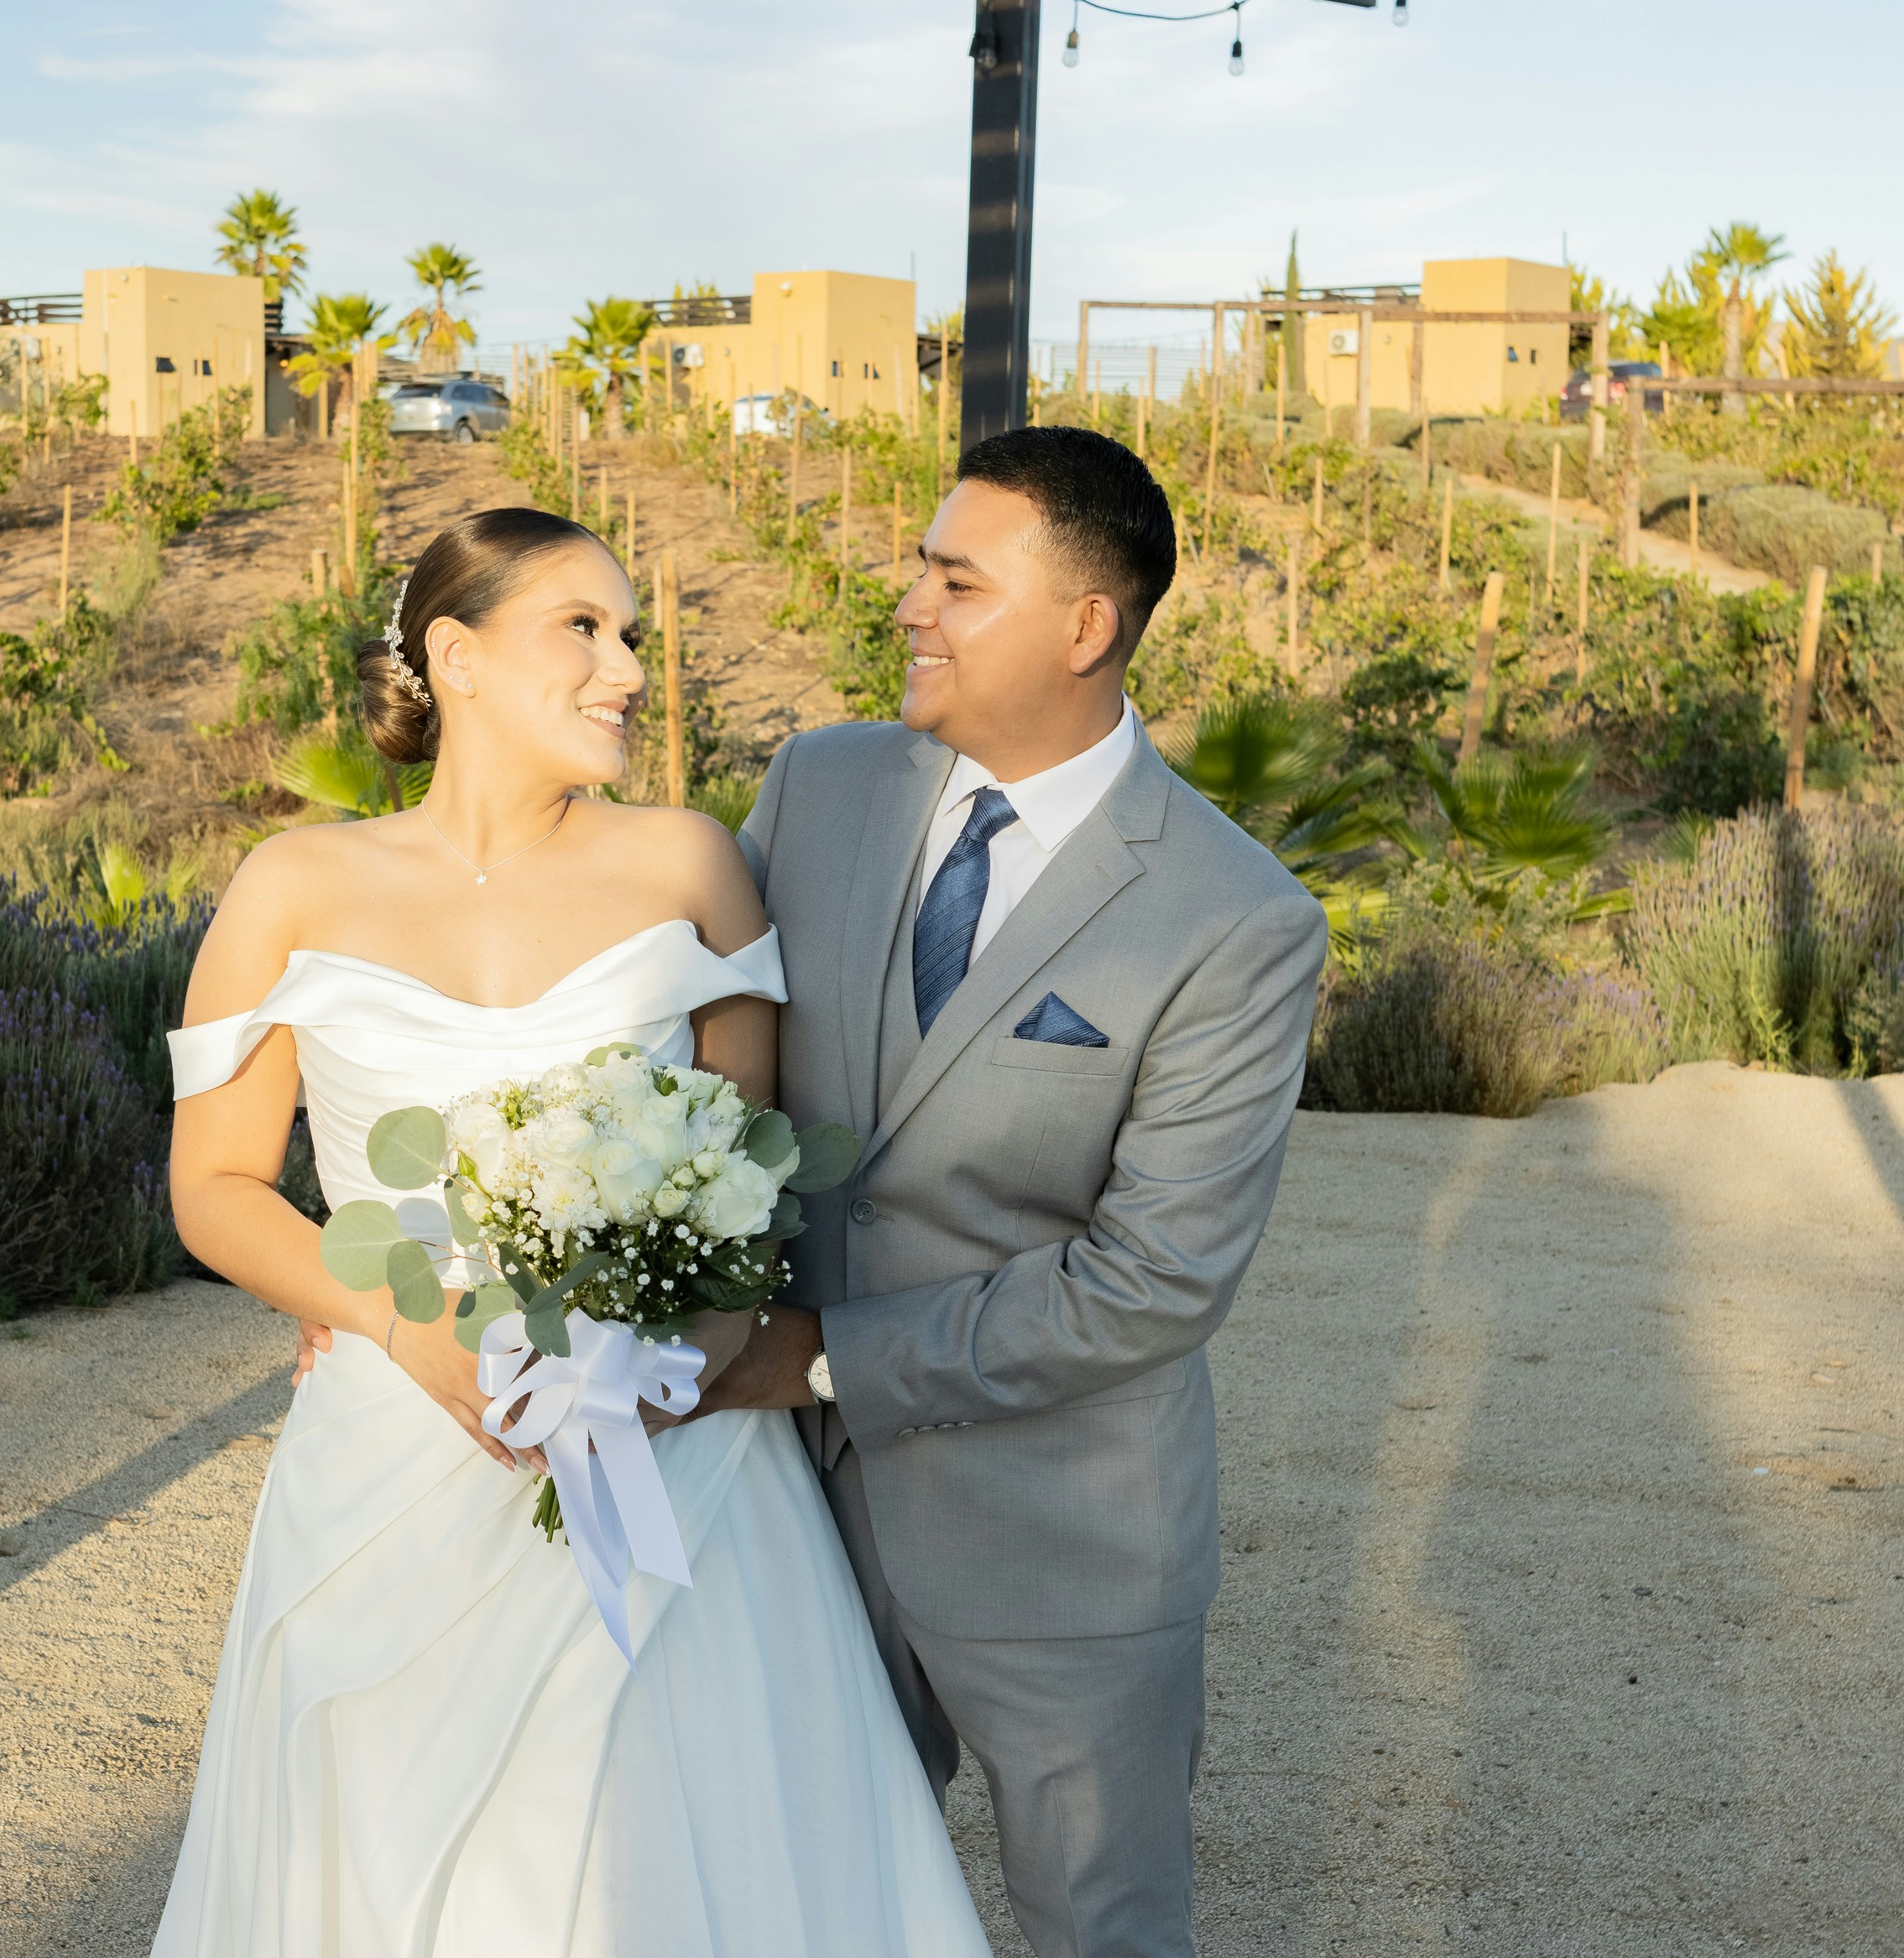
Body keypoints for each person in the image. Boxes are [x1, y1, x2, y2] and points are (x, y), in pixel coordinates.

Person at [151, 506, 990, 1957]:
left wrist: (679, 1349)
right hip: (399, 1438)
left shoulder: (690, 864)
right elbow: (217, 1185)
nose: (627, 669)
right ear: (455, 655)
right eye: (583, 630)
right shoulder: (296, 884)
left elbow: (752, 1181)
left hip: (676, 1444)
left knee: (682, 1844)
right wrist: (403, 1326)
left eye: (632, 637)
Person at [701, 426, 1328, 1958]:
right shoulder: (819, 785)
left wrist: (830, 1351)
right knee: (804, 1913)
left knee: (1093, 1933)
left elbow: (1156, 1279)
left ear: (1084, 625)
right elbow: (695, 1085)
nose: (908, 604)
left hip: (1067, 1546)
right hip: (791, 1514)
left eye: (954, 579)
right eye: (922, 567)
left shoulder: (1236, 918)